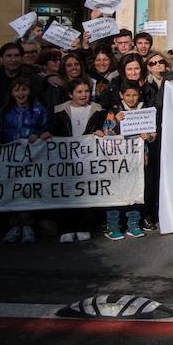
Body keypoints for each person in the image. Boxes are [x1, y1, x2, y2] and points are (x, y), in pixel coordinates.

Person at [0, 78, 51, 244]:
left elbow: (46, 127)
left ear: (29, 91)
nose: (21, 93)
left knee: (27, 190)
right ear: (11, 93)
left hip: (31, 157)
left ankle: (28, 225)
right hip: (10, 157)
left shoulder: (38, 109)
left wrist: (37, 134)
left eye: (24, 90)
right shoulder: (5, 110)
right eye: (17, 90)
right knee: (12, 190)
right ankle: (14, 225)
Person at [94, 81, 155, 240]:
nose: (131, 98)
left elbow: (153, 135)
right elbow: (107, 135)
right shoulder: (114, 112)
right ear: (122, 95)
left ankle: (133, 223)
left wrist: (147, 136)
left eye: (134, 94)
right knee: (116, 193)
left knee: (135, 192)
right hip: (118, 162)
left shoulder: (145, 111)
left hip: (140, 160)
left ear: (139, 94)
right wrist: (117, 124)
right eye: (128, 95)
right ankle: (113, 225)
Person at [47, 78, 103, 242]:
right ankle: (66, 228)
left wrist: (100, 131)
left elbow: (101, 128)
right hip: (65, 160)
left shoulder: (97, 109)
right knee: (66, 193)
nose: (83, 95)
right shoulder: (58, 111)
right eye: (79, 92)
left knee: (85, 193)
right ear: (70, 94)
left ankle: (84, 227)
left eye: (86, 91)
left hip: (87, 159)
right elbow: (52, 129)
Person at [0, 43, 44, 114]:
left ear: (22, 58)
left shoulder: (34, 79)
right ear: (1, 59)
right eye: (9, 56)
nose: (13, 60)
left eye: (17, 56)